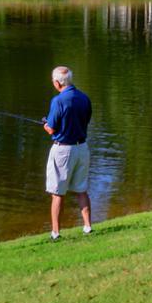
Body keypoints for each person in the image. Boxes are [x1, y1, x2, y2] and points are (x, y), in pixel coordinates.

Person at [40, 64, 94, 239]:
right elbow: (86, 120)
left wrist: (46, 126)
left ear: (57, 83)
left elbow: (52, 128)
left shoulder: (58, 100)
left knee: (58, 192)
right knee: (81, 190)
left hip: (63, 150)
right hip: (82, 148)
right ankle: (87, 227)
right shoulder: (84, 98)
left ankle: (55, 232)